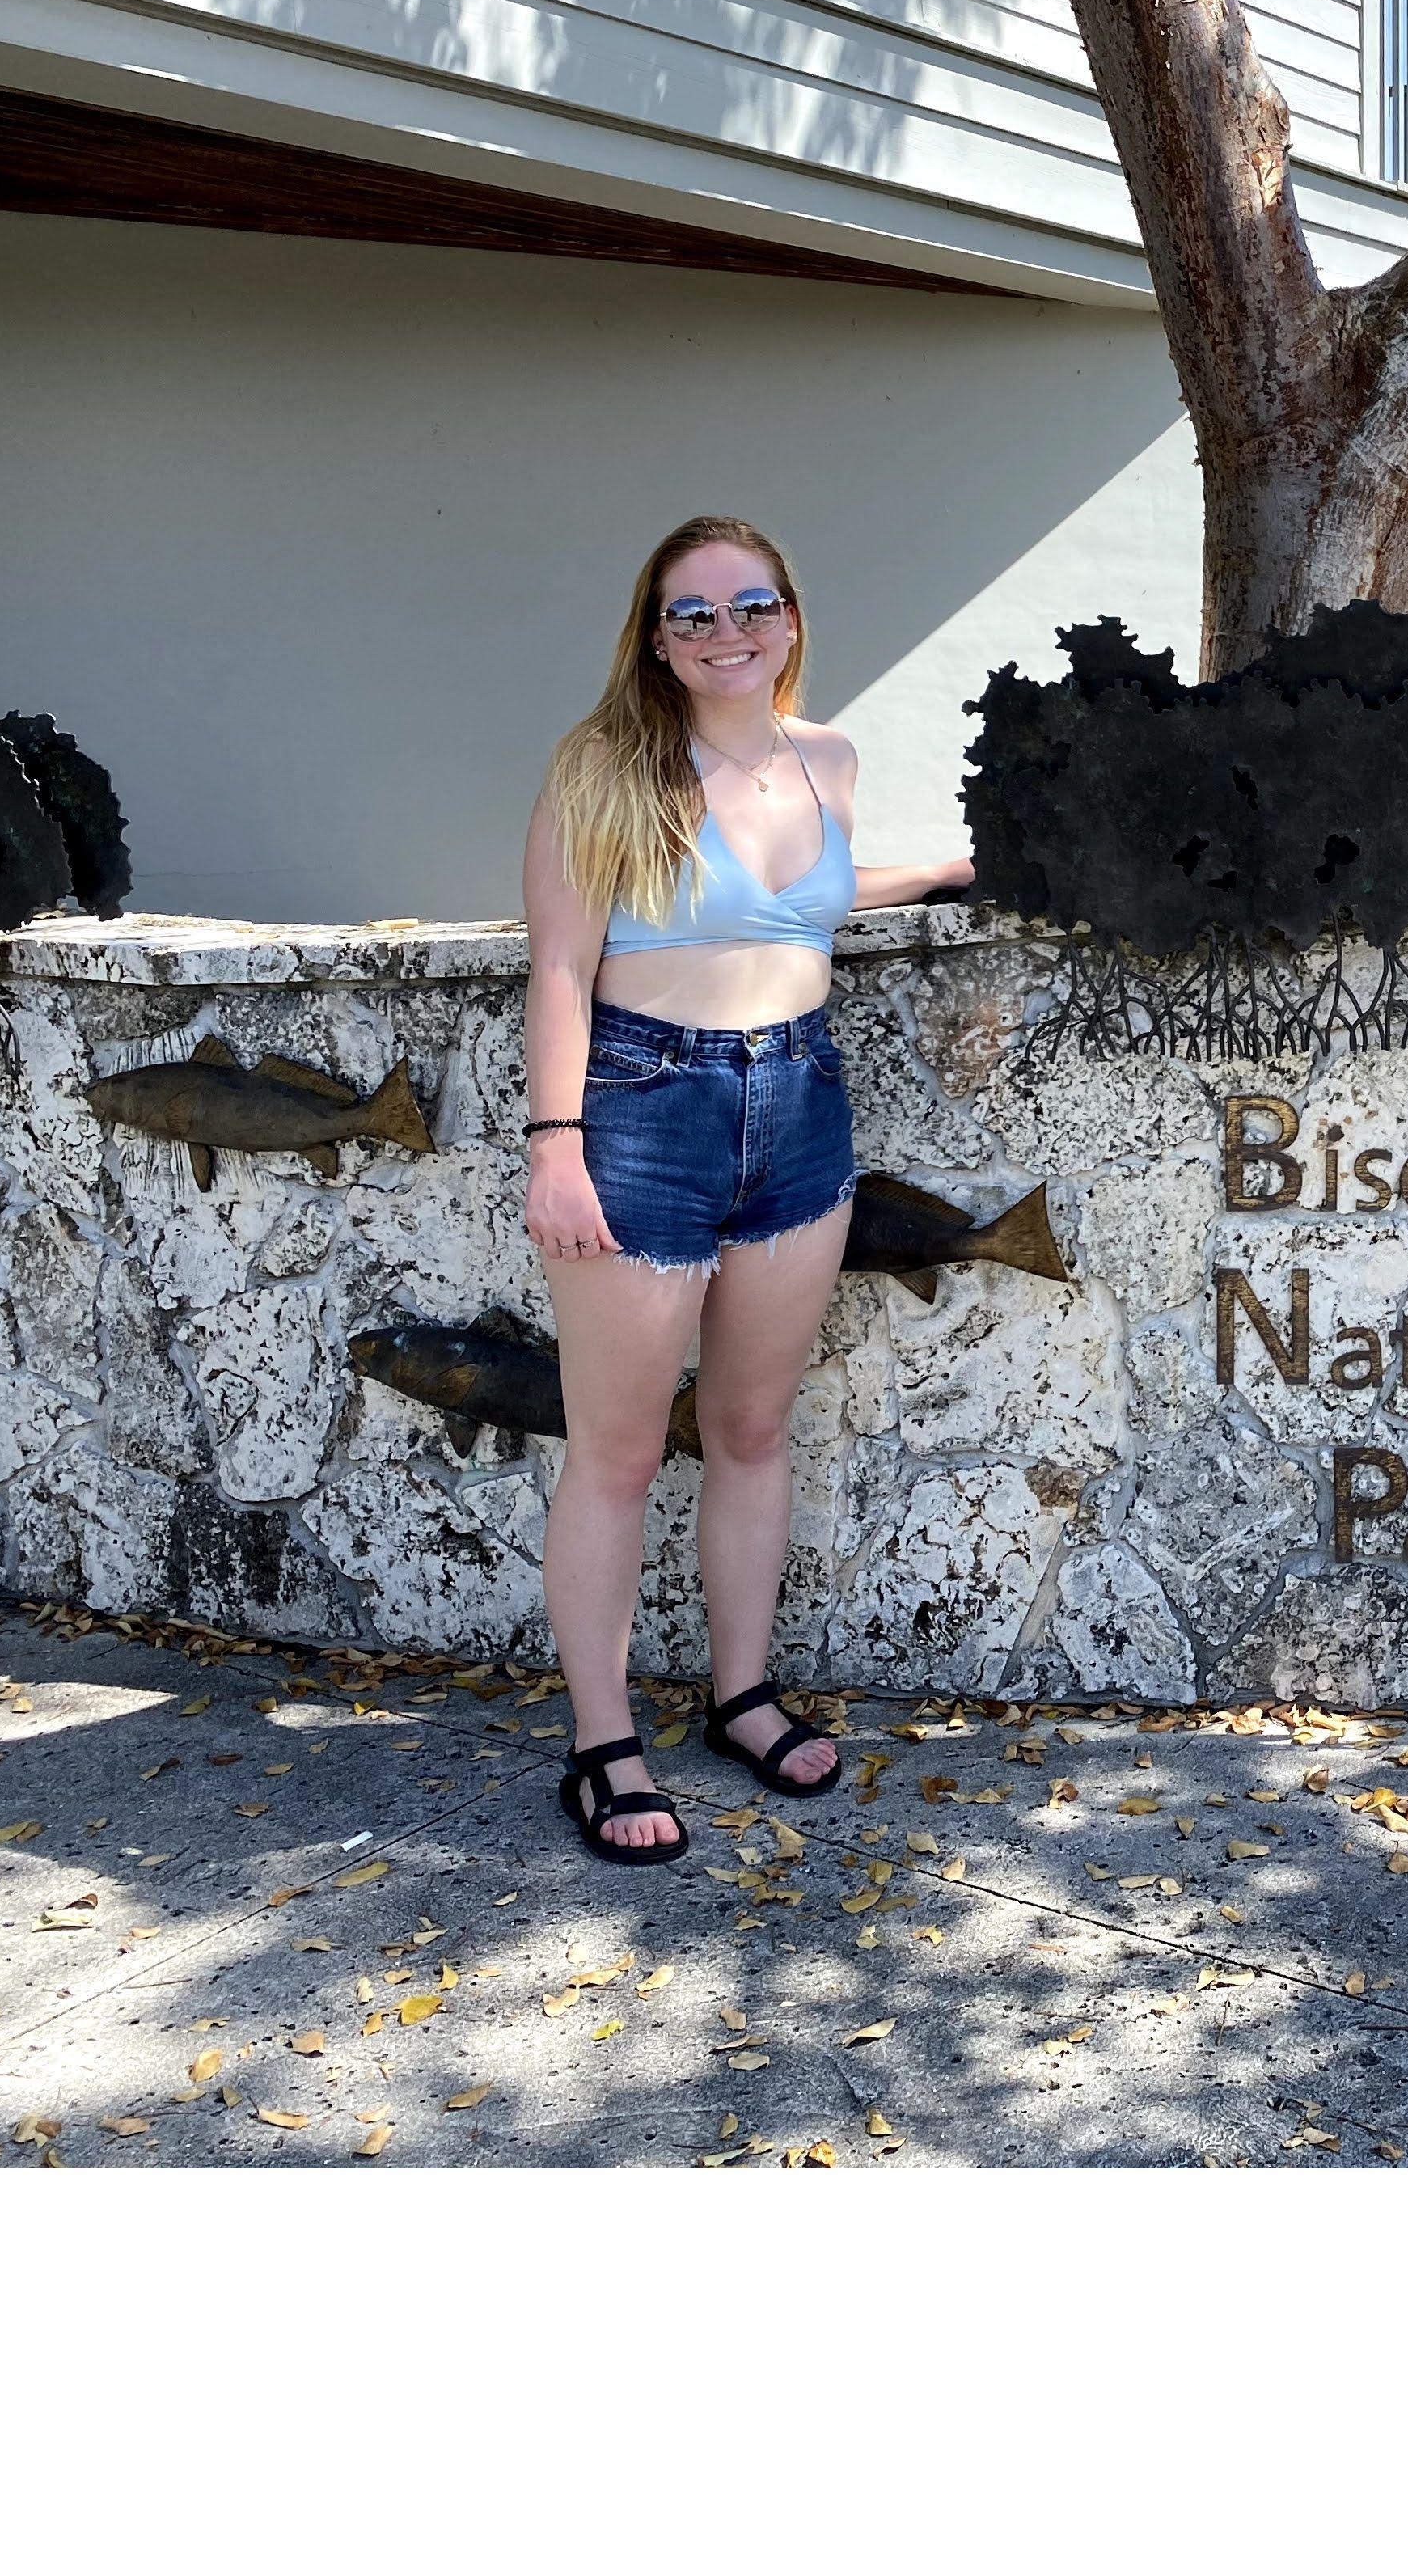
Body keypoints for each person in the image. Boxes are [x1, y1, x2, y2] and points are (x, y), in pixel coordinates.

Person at [521, 514, 974, 1863]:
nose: (727, 631)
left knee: (753, 1427)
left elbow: (803, 906)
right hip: (643, 1110)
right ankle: (603, 1744)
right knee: (613, 1448)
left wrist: (943, 871)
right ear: (653, 638)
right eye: (692, 612)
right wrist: (556, 1143)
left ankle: (741, 1696)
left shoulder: (822, 756)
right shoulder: (603, 770)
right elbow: (557, 965)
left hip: (801, 1105)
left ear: (789, 616)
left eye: (750, 604)